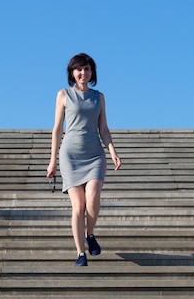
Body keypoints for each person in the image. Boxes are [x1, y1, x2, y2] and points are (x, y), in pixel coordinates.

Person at [47, 53, 122, 267]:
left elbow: (104, 129)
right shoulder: (63, 95)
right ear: (72, 72)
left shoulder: (99, 97)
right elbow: (57, 130)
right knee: (78, 206)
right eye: (79, 69)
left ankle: (90, 233)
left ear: (92, 72)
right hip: (70, 155)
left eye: (87, 69)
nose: (83, 73)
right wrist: (52, 160)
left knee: (94, 199)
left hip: (95, 154)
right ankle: (81, 252)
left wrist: (113, 151)